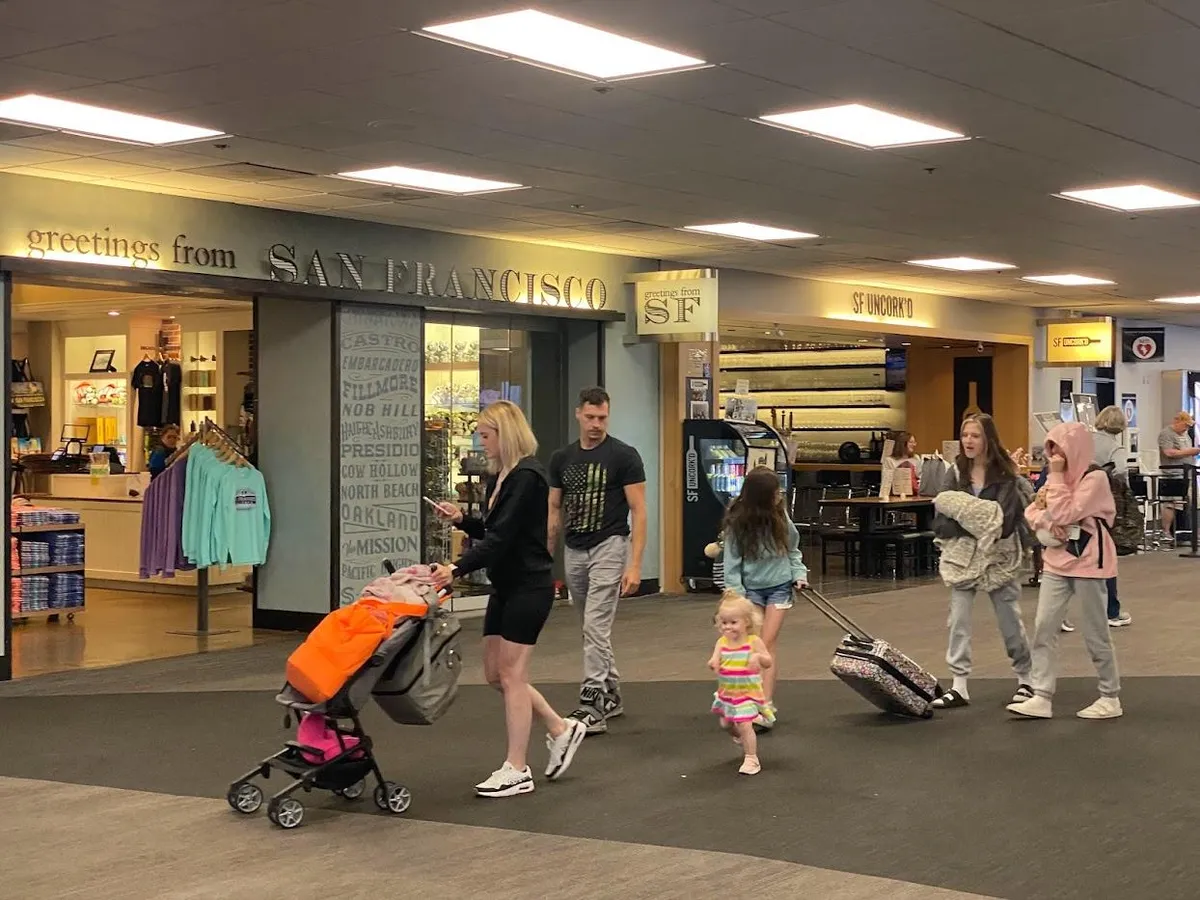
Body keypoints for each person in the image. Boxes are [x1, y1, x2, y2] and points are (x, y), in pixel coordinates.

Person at [431, 400, 587, 798]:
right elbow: (494, 529)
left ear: (506, 434)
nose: (481, 442)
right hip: (506, 585)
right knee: (494, 674)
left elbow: (500, 539)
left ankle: (517, 768)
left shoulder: (527, 477)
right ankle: (560, 727)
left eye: (485, 435)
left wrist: (455, 569)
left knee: (513, 676)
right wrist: (462, 520)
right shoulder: (500, 476)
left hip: (529, 587)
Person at [548, 387, 647, 735]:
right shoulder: (562, 458)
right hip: (574, 549)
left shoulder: (624, 456)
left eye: (602, 418)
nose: (596, 424)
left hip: (610, 545)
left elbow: (639, 511)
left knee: (595, 626)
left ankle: (592, 703)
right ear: (579, 414)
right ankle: (611, 693)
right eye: (590, 417)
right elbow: (554, 508)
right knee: (590, 627)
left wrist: (635, 564)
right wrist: (547, 557)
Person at [1009, 421, 1122, 720]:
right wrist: (1048, 521)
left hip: (1089, 562)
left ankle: (1110, 696)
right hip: (1057, 561)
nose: (1055, 455)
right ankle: (1041, 695)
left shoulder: (1095, 478)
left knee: (1096, 632)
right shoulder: (1054, 477)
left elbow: (1064, 512)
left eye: (1059, 448)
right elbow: (1033, 510)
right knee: (1044, 627)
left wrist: (1056, 484)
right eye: (1051, 449)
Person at [930, 413, 1035, 710]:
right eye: (965, 435)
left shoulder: (1006, 476)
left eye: (975, 435)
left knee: (1009, 619)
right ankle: (959, 685)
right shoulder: (955, 473)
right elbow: (942, 520)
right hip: (962, 559)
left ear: (988, 438)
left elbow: (1005, 522)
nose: (968, 441)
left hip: (1000, 558)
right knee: (958, 620)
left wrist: (966, 513)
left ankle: (1026, 679)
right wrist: (980, 520)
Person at [721, 466, 808, 729]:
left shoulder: (780, 516)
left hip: (780, 586)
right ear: (761, 495)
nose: (780, 495)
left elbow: (792, 549)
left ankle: (765, 706)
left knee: (766, 644)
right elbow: (731, 562)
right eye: (775, 492)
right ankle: (750, 701)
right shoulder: (737, 521)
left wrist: (799, 574)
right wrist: (736, 595)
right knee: (752, 645)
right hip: (751, 590)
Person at [708, 591, 773, 776]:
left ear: (747, 622)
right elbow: (715, 659)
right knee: (726, 724)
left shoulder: (754, 642)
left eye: (733, 622)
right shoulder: (722, 643)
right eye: (724, 622)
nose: (728, 627)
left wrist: (758, 657)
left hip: (747, 692)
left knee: (745, 724)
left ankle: (752, 758)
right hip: (728, 693)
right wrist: (713, 662)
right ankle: (741, 737)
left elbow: (768, 661)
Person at [1093, 405, 1132, 627]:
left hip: (1076, 506)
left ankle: (1059, 614)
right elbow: (1121, 471)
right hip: (1102, 507)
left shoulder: (1084, 440)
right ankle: (1111, 611)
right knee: (1106, 557)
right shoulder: (1116, 448)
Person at [1157, 412, 1200, 543]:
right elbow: (1168, 452)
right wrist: (1190, 451)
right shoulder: (1166, 434)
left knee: (1192, 503)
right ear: (1177, 421)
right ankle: (1165, 531)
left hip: (1188, 474)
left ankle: (1192, 533)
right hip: (1172, 474)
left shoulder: (1185, 435)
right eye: (1185, 425)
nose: (1186, 428)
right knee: (1171, 504)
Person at [890, 431, 920, 495]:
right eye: (911, 442)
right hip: (895, 496)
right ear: (902, 443)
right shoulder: (890, 460)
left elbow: (919, 477)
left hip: (914, 496)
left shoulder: (916, 458)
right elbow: (886, 483)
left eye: (914, 442)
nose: (914, 445)